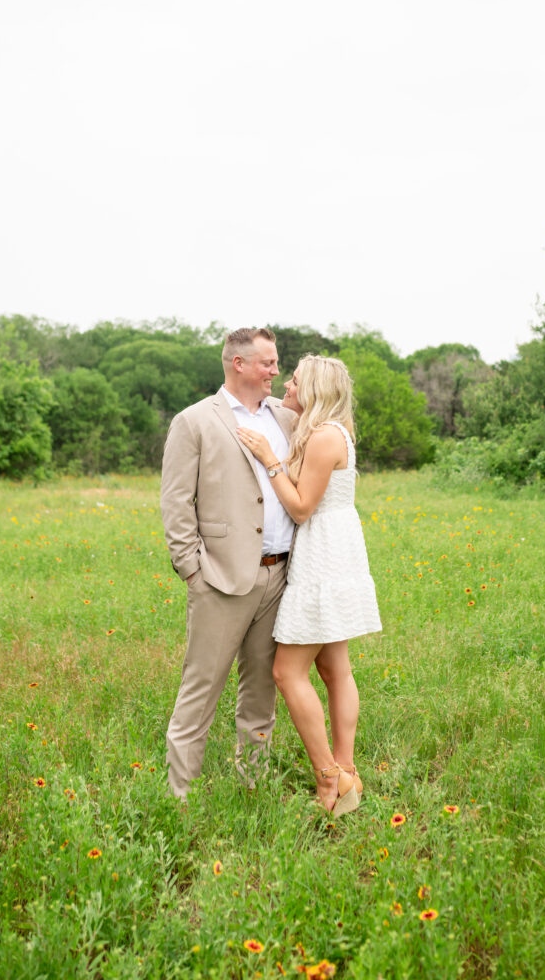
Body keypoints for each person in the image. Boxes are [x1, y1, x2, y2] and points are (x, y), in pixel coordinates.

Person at [237, 355, 381, 817]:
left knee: (287, 672)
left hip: (324, 554)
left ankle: (329, 775)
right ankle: (347, 771)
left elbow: (301, 509)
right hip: (329, 548)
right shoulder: (323, 431)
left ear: (314, 389)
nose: (286, 384)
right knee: (334, 667)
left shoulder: (323, 437)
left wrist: (269, 459)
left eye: (295, 380)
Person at [160, 327, 297, 799]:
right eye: (268, 363)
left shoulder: (285, 416)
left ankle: (252, 786)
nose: (276, 371)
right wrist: (192, 570)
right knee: (200, 691)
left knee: (262, 691)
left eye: (277, 363)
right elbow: (177, 502)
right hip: (219, 578)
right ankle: (182, 798)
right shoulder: (194, 421)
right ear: (238, 364)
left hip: (280, 576)